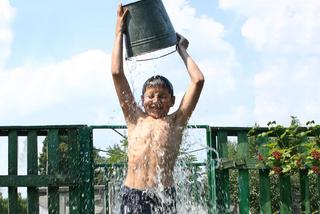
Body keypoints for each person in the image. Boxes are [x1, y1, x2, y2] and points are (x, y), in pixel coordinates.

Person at [111, 4, 204, 214]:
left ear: (172, 100)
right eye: (151, 96)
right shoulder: (135, 119)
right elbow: (117, 73)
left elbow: (198, 80)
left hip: (164, 194)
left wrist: (181, 49)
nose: (156, 101)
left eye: (162, 96)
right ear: (142, 99)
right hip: (133, 194)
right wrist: (118, 32)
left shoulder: (176, 121)